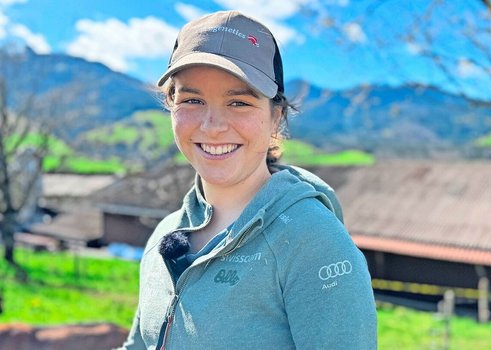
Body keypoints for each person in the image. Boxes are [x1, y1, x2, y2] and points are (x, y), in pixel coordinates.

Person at [119, 10, 377, 350]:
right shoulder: (165, 236)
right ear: (171, 106)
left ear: (276, 117)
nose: (212, 125)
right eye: (192, 100)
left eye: (239, 102)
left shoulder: (313, 243)